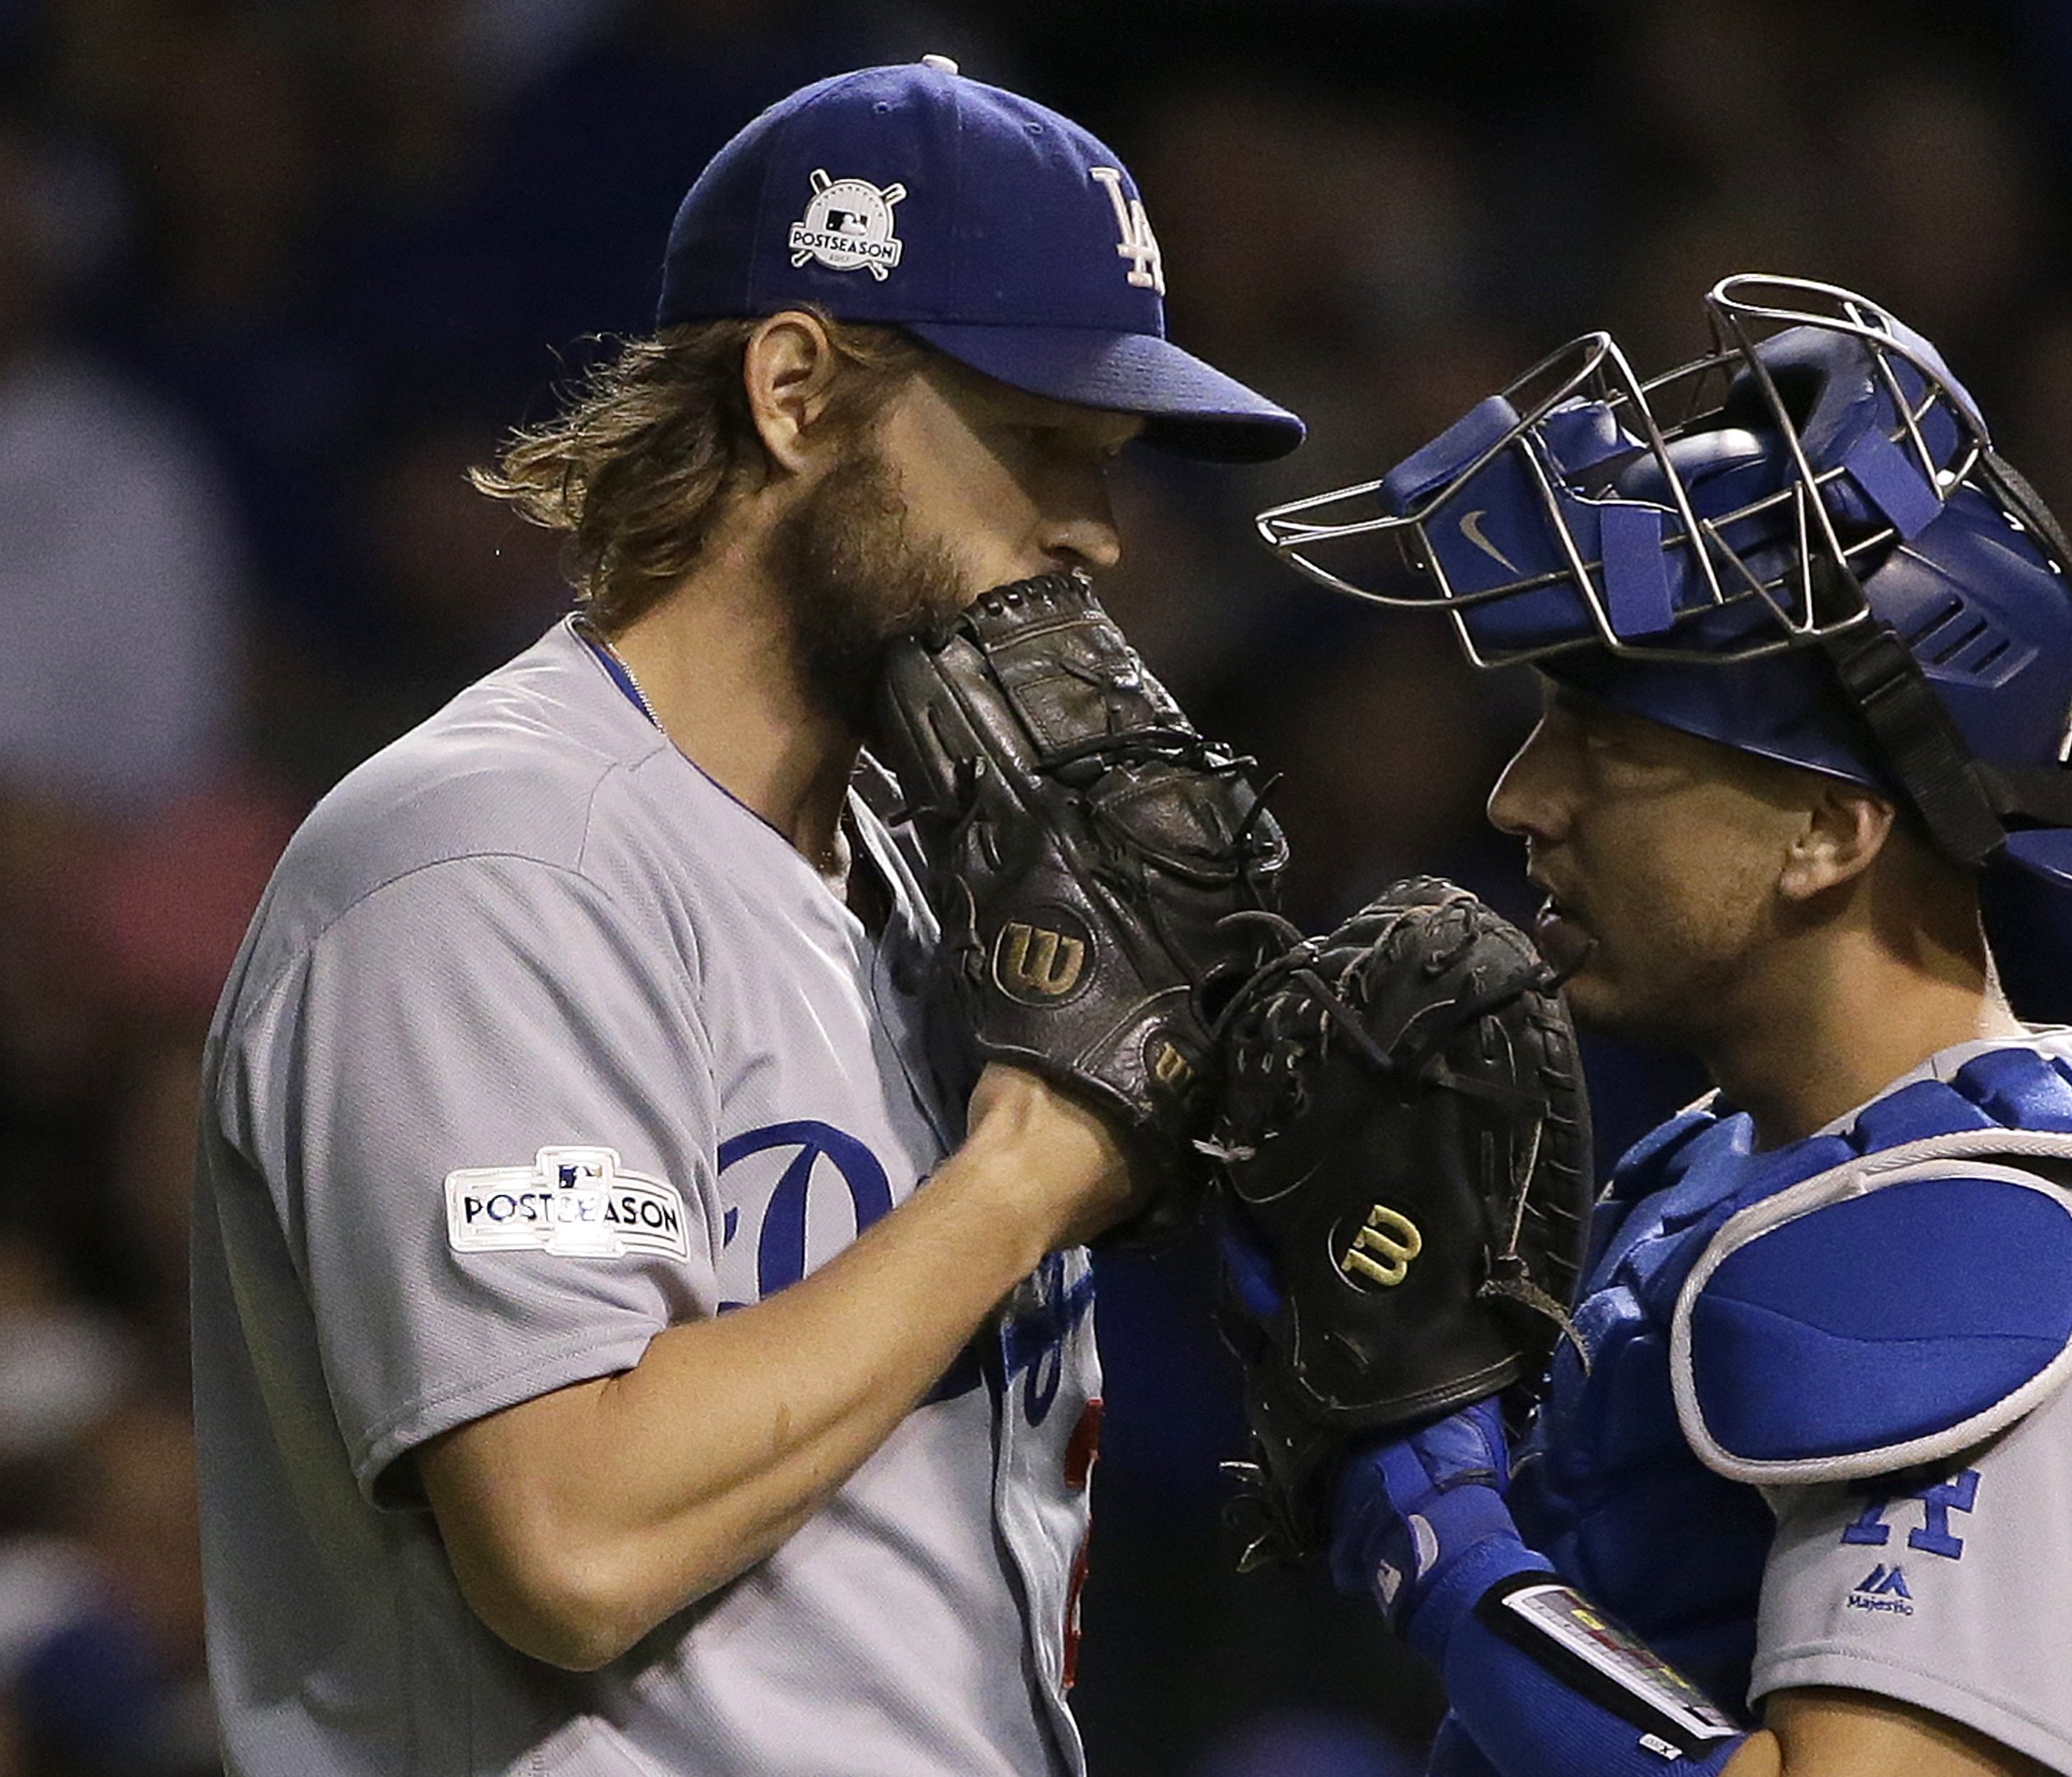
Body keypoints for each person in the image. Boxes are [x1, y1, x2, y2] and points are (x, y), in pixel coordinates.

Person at [189, 57, 1299, 1777]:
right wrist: (1023, 1178)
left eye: (1115, 459)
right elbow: (568, 1538)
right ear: (794, 386)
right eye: (1039, 443)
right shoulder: (491, 860)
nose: (1096, 527)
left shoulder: (939, 879)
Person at [1249, 276, 2072, 1777]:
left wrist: (1439, 1533)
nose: (1522, 796)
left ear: (1831, 831)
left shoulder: (2027, 1255)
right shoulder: (1718, 1164)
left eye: (1608, 743)